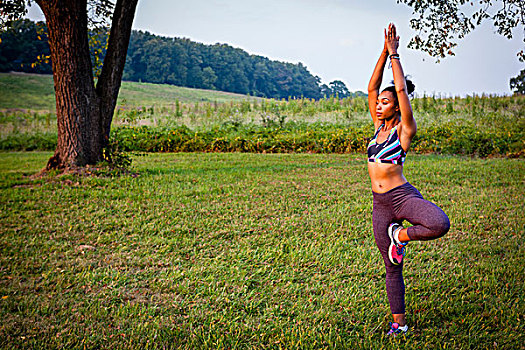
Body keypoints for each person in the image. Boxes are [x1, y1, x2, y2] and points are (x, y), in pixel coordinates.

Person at [366, 23, 450, 337]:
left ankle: (401, 237)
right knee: (392, 267)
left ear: (397, 108)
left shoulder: (404, 130)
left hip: (402, 196)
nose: (378, 104)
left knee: (438, 223)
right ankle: (398, 324)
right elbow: (372, 87)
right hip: (380, 205)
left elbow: (399, 91)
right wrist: (384, 51)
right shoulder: (378, 126)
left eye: (385, 103)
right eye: (379, 103)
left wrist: (396, 56)